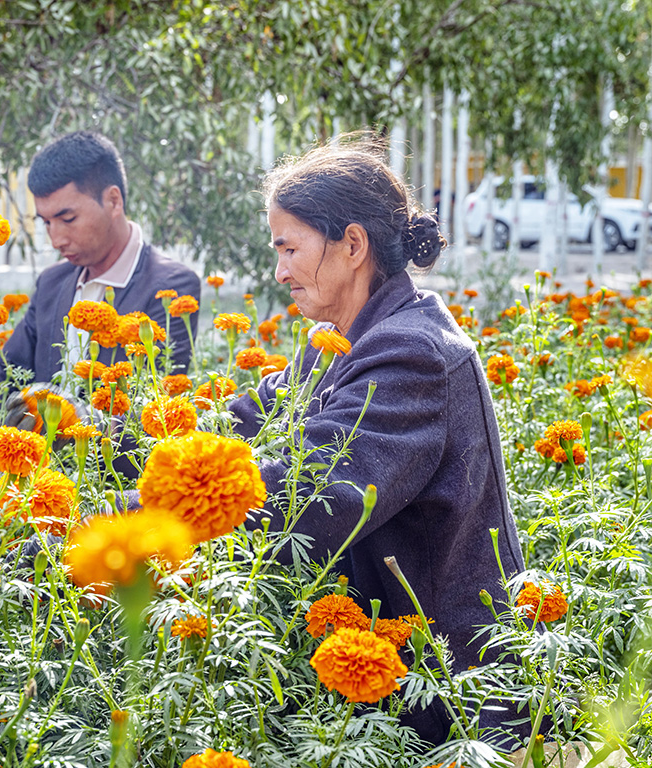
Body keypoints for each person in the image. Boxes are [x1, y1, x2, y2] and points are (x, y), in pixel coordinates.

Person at [226, 138, 526, 745]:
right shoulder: (341, 344)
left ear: (353, 245)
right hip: (387, 687)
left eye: (289, 249)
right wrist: (97, 437)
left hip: (452, 703)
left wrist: (122, 521)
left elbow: (308, 500)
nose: (279, 271)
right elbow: (237, 421)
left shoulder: (413, 353)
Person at [0, 131, 201, 403]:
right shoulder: (52, 282)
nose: (56, 239)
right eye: (46, 222)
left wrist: (71, 425)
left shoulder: (170, 287)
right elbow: (2, 374)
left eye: (68, 219)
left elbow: (157, 408)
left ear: (113, 201)